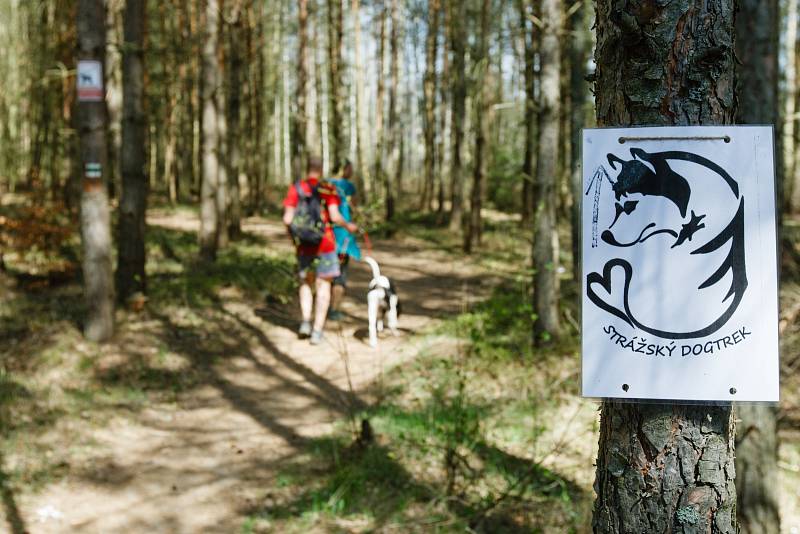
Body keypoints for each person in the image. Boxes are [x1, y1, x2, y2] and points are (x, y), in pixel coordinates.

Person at [283, 156, 358, 345]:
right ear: (321, 169)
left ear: (308, 168)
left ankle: (305, 322)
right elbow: (334, 215)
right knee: (323, 286)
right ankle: (317, 331)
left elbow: (287, 219)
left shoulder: (296, 188)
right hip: (325, 245)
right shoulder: (327, 188)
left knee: (306, 284)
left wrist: (294, 240)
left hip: (304, 246)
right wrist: (348, 225)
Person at [328, 160, 362, 320]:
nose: (352, 171)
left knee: (325, 273)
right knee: (340, 276)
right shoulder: (348, 186)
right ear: (344, 169)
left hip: (325, 236)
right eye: (350, 168)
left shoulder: (325, 183)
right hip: (342, 238)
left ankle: (323, 305)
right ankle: (334, 310)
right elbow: (354, 207)